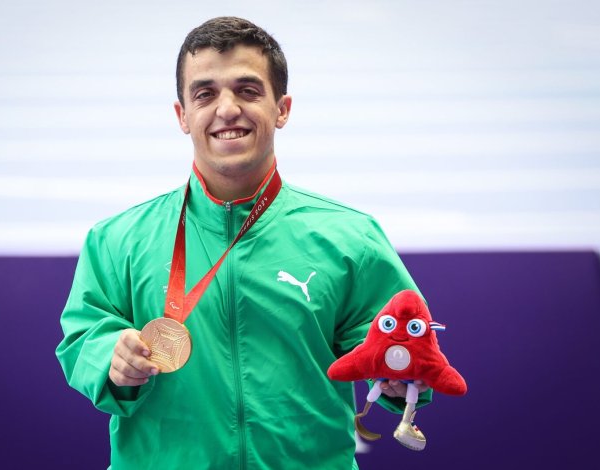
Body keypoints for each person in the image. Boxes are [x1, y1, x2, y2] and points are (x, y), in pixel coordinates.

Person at [56, 16, 431, 469]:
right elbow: (82, 338)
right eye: (205, 94)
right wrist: (109, 356)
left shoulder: (351, 237)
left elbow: (397, 346)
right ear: (182, 115)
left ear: (282, 109)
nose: (227, 109)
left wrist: (401, 376)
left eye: (248, 90)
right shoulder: (118, 240)